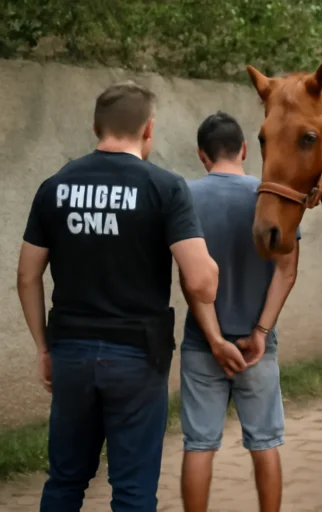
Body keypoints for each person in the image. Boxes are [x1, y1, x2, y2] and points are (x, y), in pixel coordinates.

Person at [17, 81, 219, 511]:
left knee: (65, 480)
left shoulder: (55, 185)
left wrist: (42, 347)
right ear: (149, 130)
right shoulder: (166, 188)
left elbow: (27, 276)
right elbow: (202, 283)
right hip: (137, 357)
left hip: (69, 350)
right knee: (132, 489)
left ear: (96, 127)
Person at [179, 112, 300, 512]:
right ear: (245, 149)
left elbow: (189, 277)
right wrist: (262, 332)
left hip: (202, 342)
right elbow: (287, 269)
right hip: (256, 346)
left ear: (202, 155)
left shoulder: (185, 199)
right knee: (265, 443)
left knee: (199, 445)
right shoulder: (269, 199)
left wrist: (214, 339)